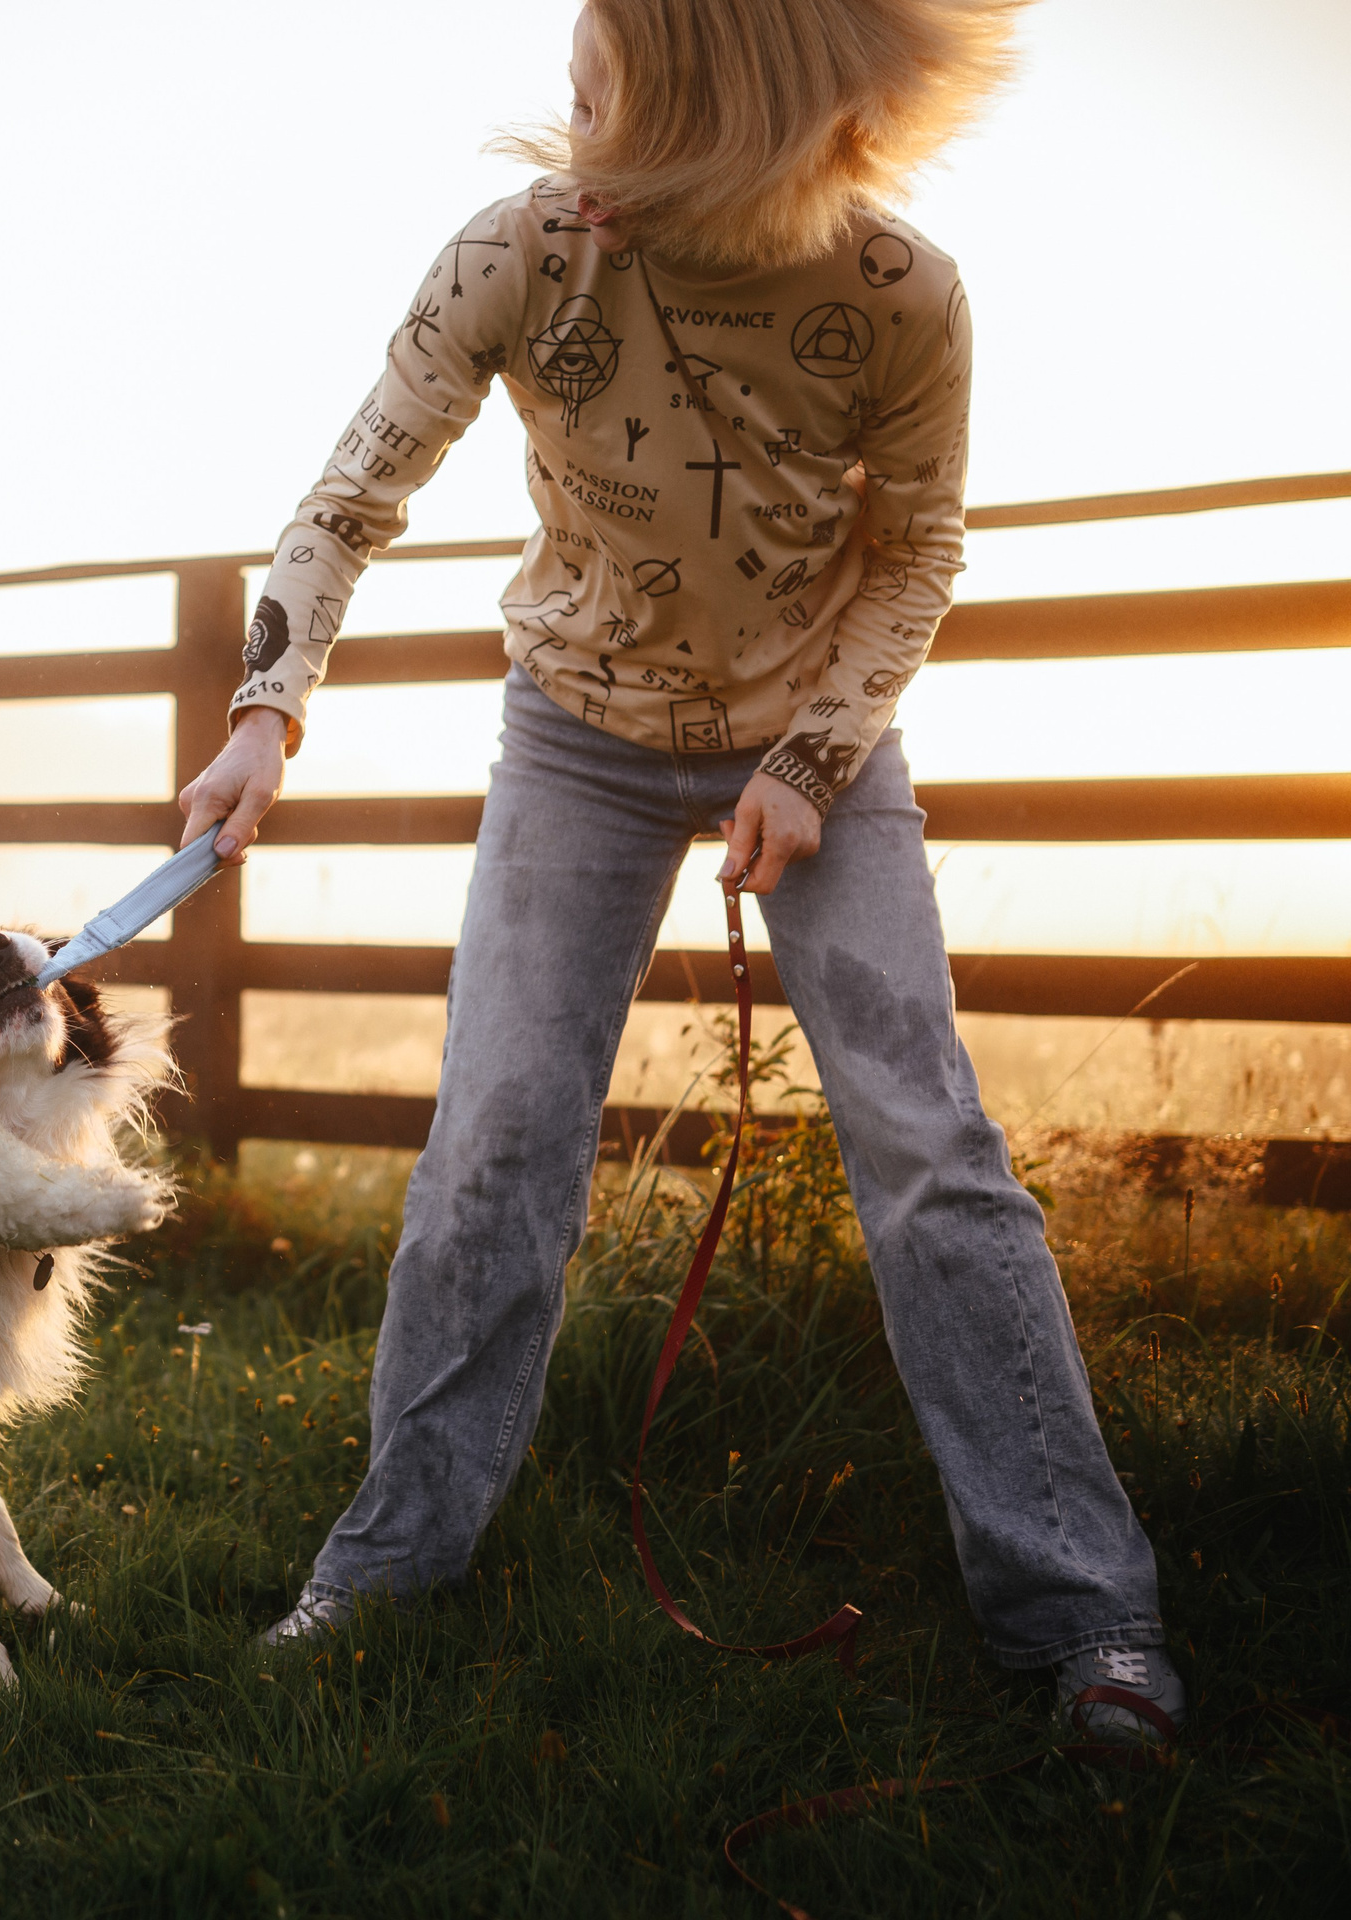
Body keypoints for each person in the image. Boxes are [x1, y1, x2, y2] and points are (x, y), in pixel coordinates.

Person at [176, 0, 1183, 1743]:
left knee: (932, 1148)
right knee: (496, 1134)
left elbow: (920, 552)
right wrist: (270, 708)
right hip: (574, 732)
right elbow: (348, 496)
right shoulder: (523, 253)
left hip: (819, 748)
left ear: (718, 114)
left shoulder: (901, 294)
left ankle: (1089, 1620)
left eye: (601, 96)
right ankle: (387, 1567)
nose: (570, 131)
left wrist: (806, 765)